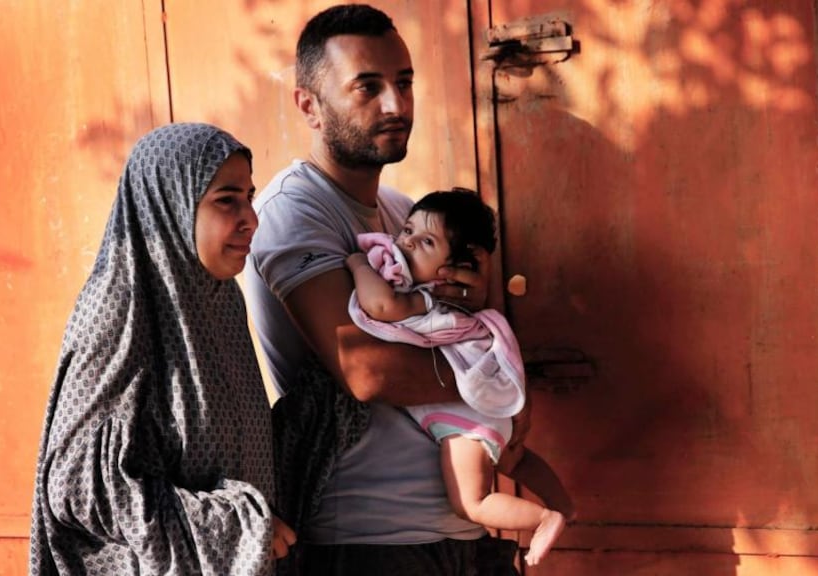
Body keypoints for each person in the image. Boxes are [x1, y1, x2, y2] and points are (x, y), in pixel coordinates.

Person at [243, 4, 525, 574]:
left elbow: (478, 324)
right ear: (309, 106)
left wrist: (483, 332)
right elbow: (367, 371)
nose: (396, 105)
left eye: (404, 82)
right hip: (369, 542)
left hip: (465, 529)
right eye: (368, 87)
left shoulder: (406, 215)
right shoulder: (295, 210)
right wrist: (494, 382)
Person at [29, 123, 295, 576]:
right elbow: (76, 486)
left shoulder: (219, 299)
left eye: (249, 197)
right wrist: (236, 529)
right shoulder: (120, 305)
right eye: (226, 200)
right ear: (170, 203)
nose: (251, 218)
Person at [345, 188, 575, 567]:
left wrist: (358, 266)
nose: (407, 243)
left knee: (471, 502)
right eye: (407, 231)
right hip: (483, 414)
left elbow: (381, 305)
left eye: (427, 242)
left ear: (453, 269)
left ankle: (543, 518)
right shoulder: (441, 296)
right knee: (515, 460)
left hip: (464, 418)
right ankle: (563, 503)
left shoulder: (431, 300)